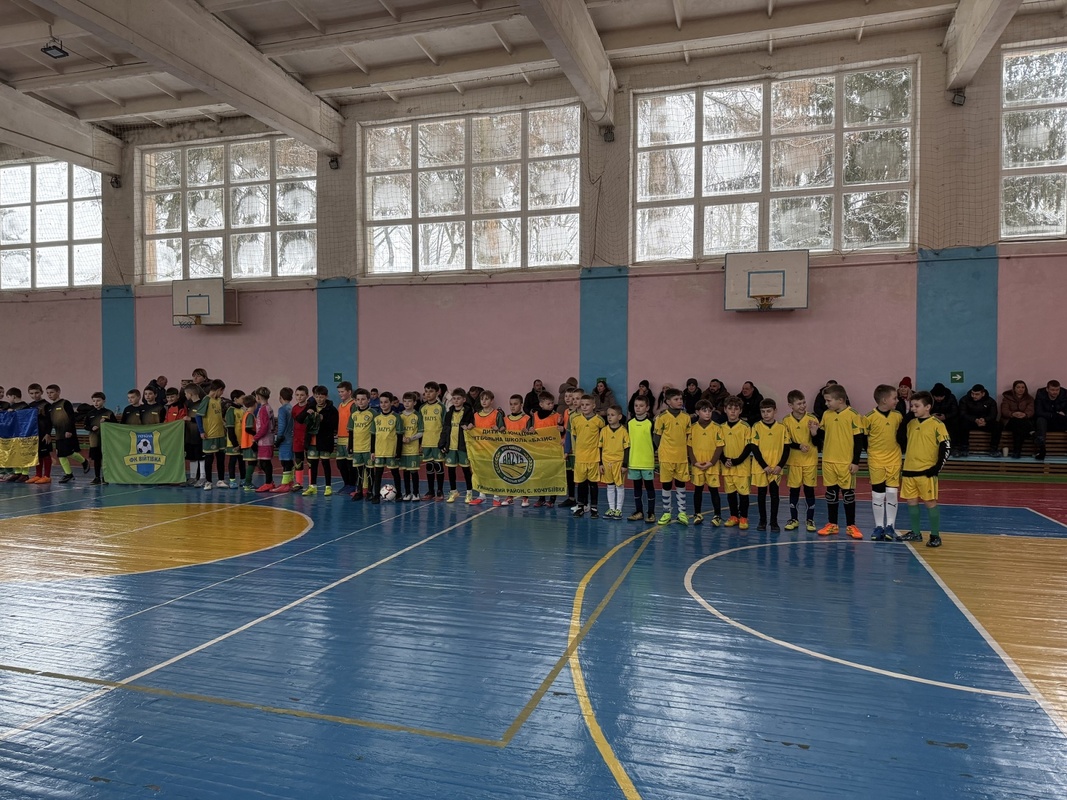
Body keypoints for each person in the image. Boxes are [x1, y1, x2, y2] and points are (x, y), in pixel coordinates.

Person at [900, 391, 951, 548]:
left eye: (917, 406)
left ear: (928, 407)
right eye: (912, 406)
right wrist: (905, 420)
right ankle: (916, 533)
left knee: (930, 502)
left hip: (926, 472)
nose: (913, 409)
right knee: (911, 502)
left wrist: (937, 468)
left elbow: (946, 447)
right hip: (909, 470)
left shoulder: (937, 425)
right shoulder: (911, 424)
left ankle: (935, 535)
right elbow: (901, 440)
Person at [813, 384, 864, 539]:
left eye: (829, 400)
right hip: (829, 460)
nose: (826, 403)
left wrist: (855, 462)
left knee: (848, 494)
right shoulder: (826, 415)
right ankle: (832, 524)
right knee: (831, 493)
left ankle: (851, 525)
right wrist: (814, 432)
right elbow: (822, 436)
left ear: (840, 400)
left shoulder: (853, 415)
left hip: (845, 462)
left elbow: (859, 440)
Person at [865, 384, 907, 542]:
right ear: (884, 400)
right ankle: (878, 527)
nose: (897, 400)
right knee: (878, 495)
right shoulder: (868, 418)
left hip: (894, 460)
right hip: (876, 461)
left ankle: (890, 526)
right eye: (894, 398)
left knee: (891, 493)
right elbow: (863, 439)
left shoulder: (898, 416)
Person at [750, 398, 789, 532]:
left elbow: (786, 449)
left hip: (775, 468)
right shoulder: (756, 427)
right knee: (761, 495)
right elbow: (754, 448)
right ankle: (762, 521)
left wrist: (780, 466)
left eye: (768, 411)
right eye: (763, 411)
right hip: (761, 468)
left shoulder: (782, 428)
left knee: (774, 495)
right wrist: (764, 465)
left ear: (775, 411)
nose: (766, 414)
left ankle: (774, 522)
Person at [653, 387, 691, 525]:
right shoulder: (661, 418)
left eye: (681, 399)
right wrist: (663, 450)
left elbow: (688, 437)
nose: (680, 401)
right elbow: (656, 437)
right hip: (667, 457)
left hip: (681, 457)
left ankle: (682, 512)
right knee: (666, 484)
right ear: (668, 401)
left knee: (681, 484)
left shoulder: (686, 417)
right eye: (676, 399)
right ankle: (666, 512)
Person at [782, 390, 818, 533]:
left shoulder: (812, 418)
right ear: (791, 405)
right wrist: (799, 446)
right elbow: (786, 442)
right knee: (794, 490)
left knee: (809, 490)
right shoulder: (786, 421)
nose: (803, 406)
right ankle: (794, 519)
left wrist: (814, 433)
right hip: (794, 461)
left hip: (810, 461)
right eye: (799, 404)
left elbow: (818, 441)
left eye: (803, 402)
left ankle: (810, 519)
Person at [570, 393, 606, 518]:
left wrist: (601, 460)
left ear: (594, 405)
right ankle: (581, 506)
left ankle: (594, 508)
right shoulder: (575, 420)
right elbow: (575, 436)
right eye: (582, 405)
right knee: (581, 484)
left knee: (593, 484)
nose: (584, 407)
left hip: (594, 457)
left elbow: (602, 440)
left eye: (587, 405)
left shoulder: (599, 421)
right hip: (580, 457)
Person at [688, 400, 723, 526]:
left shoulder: (717, 428)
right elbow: (689, 446)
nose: (707, 413)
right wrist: (694, 462)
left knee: (714, 490)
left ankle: (717, 515)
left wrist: (712, 462)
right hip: (698, 465)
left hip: (711, 465)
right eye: (704, 410)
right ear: (697, 412)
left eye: (709, 410)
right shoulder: (692, 428)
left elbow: (720, 446)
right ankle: (697, 514)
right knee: (698, 490)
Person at [719, 396, 753, 529]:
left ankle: (743, 517)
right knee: (730, 493)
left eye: (736, 409)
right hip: (727, 466)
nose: (733, 411)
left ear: (740, 411)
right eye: (730, 408)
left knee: (743, 494)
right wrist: (724, 460)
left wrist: (737, 461)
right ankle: (733, 516)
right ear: (725, 410)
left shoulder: (745, 427)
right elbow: (718, 446)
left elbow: (748, 446)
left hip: (742, 466)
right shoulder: (721, 427)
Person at [46, 384, 88, 483]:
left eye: (52, 392)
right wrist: (48, 433)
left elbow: (71, 417)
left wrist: (69, 430)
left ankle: (82, 462)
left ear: (58, 392)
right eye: (48, 393)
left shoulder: (65, 403)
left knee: (66, 452)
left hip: (67, 432)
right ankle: (69, 473)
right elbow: (49, 422)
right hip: (58, 434)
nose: (49, 395)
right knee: (61, 454)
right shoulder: (50, 407)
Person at [468, 390, 504, 506]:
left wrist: (499, 430)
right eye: (482, 399)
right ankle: (481, 495)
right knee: (480, 472)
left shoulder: (497, 414)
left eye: (486, 399)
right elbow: (473, 430)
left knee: (494, 472)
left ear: (492, 401)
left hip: (493, 449)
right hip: (479, 448)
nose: (484, 401)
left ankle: (496, 497)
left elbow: (503, 430)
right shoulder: (476, 415)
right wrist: (469, 428)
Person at [440, 388, 475, 504]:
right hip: (451, 446)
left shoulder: (468, 413)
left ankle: (469, 492)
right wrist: (442, 444)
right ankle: (453, 491)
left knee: (466, 470)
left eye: (458, 398)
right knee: (451, 470)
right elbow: (445, 429)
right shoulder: (449, 413)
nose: (456, 400)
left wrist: (470, 426)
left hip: (462, 446)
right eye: (454, 398)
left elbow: (473, 426)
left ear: (464, 399)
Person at [531, 390, 565, 508]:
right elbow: (532, 430)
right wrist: (530, 430)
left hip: (553, 450)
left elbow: (562, 432)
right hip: (540, 450)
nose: (551, 405)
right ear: (541, 404)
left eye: (552, 403)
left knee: (553, 474)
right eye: (548, 403)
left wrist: (561, 429)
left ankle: (552, 499)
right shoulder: (535, 416)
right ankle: (541, 498)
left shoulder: (557, 416)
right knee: (541, 475)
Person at [369, 392, 403, 504]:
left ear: (391, 403)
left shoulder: (396, 417)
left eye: (386, 402)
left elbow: (399, 435)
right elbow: (373, 435)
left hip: (391, 450)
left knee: (395, 473)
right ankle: (376, 495)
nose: (383, 404)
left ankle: (399, 494)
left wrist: (398, 451)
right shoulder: (376, 418)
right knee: (378, 474)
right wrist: (372, 451)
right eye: (381, 402)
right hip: (379, 450)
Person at [303, 386, 337, 496]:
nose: (319, 399)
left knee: (326, 464)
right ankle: (312, 486)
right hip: (312, 441)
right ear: (314, 396)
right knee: (313, 465)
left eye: (321, 397)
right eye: (317, 397)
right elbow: (300, 419)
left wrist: (323, 419)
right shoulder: (311, 407)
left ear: (326, 396)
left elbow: (334, 425)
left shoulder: (331, 409)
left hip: (325, 441)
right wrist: (307, 413)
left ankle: (328, 487)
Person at [598, 405, 629, 519]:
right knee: (610, 485)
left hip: (618, 462)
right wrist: (600, 463)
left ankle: (618, 509)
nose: (609, 417)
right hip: (606, 462)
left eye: (612, 415)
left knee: (619, 486)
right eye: (608, 415)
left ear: (619, 417)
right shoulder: (604, 430)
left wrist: (624, 464)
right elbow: (600, 447)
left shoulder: (623, 431)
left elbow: (627, 448)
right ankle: (611, 508)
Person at [347, 388, 377, 501]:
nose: (360, 401)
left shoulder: (373, 413)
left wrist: (373, 449)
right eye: (358, 399)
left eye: (363, 399)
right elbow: (351, 431)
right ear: (355, 401)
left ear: (368, 400)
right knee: (359, 471)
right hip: (357, 447)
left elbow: (375, 433)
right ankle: (359, 491)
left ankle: (369, 491)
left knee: (369, 471)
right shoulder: (353, 414)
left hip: (368, 447)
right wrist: (350, 446)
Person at [956, 383, 1000, 457]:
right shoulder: (964, 400)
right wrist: (975, 419)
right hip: (971, 422)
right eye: (972, 393)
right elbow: (962, 414)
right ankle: (964, 448)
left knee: (997, 426)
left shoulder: (990, 401)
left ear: (983, 394)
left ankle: (993, 449)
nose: (974, 396)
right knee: (961, 424)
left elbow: (993, 415)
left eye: (977, 394)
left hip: (984, 422)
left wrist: (985, 420)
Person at [503, 394, 532, 506]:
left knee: (523, 473)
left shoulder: (527, 418)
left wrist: (528, 433)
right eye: (511, 404)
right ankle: (510, 496)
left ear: (521, 405)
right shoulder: (506, 419)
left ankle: (525, 497)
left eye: (515, 404)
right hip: (509, 450)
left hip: (523, 451)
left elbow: (532, 435)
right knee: (509, 473)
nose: (512, 406)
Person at [420, 382, 446, 500]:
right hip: (426, 442)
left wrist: (444, 442)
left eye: (431, 391)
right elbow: (420, 427)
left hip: (437, 442)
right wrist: (420, 443)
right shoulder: (422, 408)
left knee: (438, 466)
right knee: (429, 466)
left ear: (437, 392)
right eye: (426, 391)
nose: (428, 394)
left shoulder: (441, 407)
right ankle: (430, 491)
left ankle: (440, 491)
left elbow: (445, 426)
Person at [85, 392, 116, 486]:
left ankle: (106, 477)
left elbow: (115, 424)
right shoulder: (90, 414)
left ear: (104, 401)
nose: (96, 403)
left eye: (98, 400)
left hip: (106, 440)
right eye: (94, 401)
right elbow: (85, 426)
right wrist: (91, 428)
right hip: (94, 440)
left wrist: (107, 420)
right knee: (97, 459)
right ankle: (97, 477)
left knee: (105, 459)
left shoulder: (109, 413)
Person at [1000, 380, 1035, 459]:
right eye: (1018, 387)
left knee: (1019, 427)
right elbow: (1004, 411)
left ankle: (1017, 451)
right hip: (1009, 421)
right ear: (1014, 389)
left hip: (1023, 421)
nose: (1021, 389)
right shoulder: (1007, 398)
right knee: (1018, 422)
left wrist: (1025, 414)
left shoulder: (1029, 399)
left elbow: (1031, 411)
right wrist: (1013, 414)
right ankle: (1031, 432)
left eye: (1023, 387)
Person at [1034, 379, 1067, 461]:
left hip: (1060, 421)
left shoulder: (1065, 394)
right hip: (1047, 422)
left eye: (1057, 390)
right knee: (1041, 420)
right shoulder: (1040, 394)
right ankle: (1042, 449)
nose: (1055, 392)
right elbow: (1038, 412)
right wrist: (1054, 414)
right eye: (1052, 390)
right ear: (1047, 389)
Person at [271, 387, 295, 493]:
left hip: (285, 439)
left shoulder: (282, 409)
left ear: (280, 397)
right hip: (291, 438)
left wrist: (279, 438)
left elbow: (281, 425)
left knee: (285, 462)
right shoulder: (291, 408)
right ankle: (290, 481)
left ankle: (285, 484)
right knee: (289, 461)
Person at [252, 387, 276, 492]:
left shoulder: (263, 409)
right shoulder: (268, 407)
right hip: (267, 438)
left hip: (264, 439)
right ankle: (269, 482)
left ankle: (268, 482)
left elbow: (264, 427)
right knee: (264, 462)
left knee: (264, 462)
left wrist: (255, 438)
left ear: (258, 397)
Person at [334, 381, 356, 494]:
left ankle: (352, 484)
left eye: (342, 392)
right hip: (341, 438)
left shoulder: (353, 405)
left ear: (349, 392)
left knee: (350, 463)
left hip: (349, 438)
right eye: (339, 392)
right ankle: (346, 484)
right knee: (340, 463)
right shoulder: (340, 405)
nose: (340, 394)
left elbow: (354, 423)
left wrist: (352, 440)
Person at [225, 389, 246, 488]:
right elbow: (230, 428)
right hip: (234, 442)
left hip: (242, 441)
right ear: (235, 399)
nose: (244, 400)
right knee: (233, 461)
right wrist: (235, 443)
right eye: (242, 398)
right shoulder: (231, 411)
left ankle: (243, 480)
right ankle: (232, 480)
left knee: (242, 461)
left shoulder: (242, 410)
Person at [290, 385, 310, 492]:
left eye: (302, 395)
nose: (299, 397)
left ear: (307, 395)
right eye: (297, 395)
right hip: (297, 438)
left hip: (308, 438)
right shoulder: (294, 408)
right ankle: (298, 482)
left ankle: (312, 483)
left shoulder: (310, 407)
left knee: (311, 461)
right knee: (298, 460)